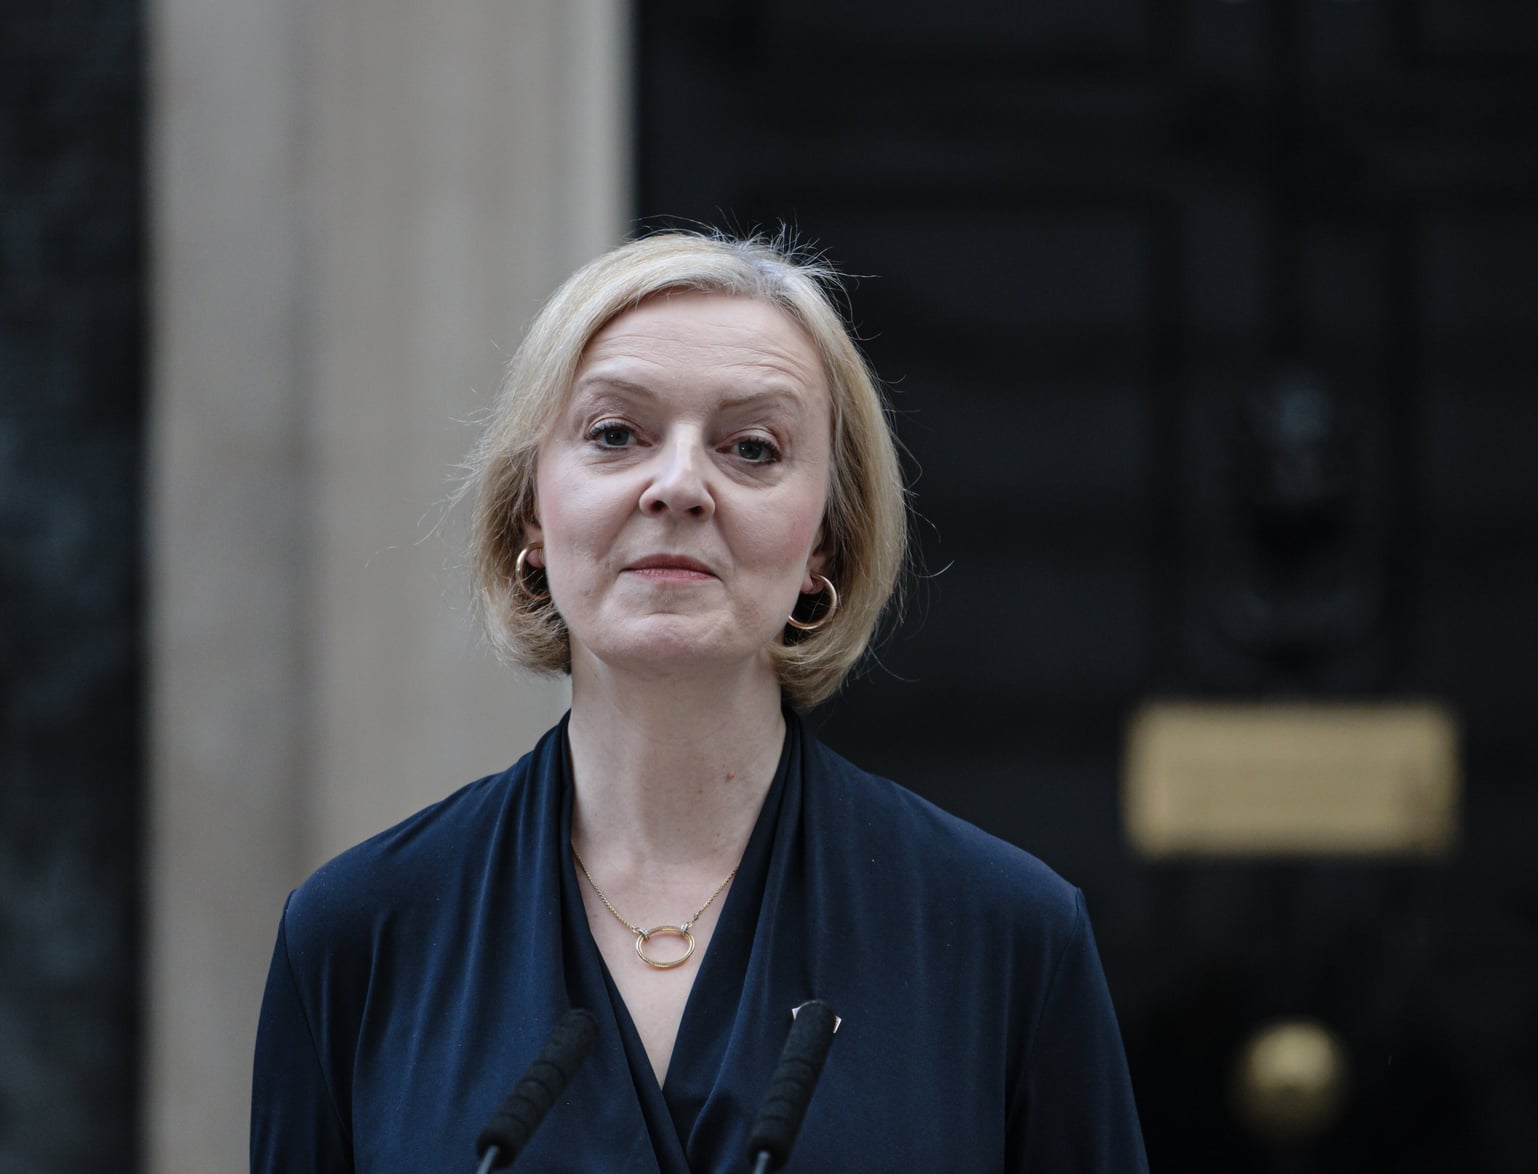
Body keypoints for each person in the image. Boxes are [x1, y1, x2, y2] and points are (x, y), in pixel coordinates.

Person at [250, 231, 1149, 1172]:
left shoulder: (1006, 936)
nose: (678, 486)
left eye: (752, 447)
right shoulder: (360, 932)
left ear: (824, 549)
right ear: (531, 516)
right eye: (614, 435)